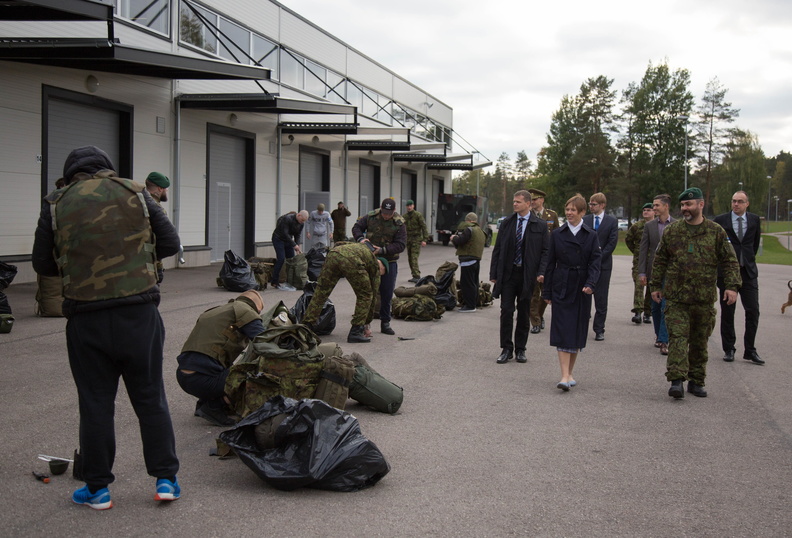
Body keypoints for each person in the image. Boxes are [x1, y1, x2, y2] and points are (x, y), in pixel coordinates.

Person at [32, 145, 181, 510]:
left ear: (71, 175)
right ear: (107, 169)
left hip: (86, 318)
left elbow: (41, 263)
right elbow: (171, 244)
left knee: (96, 403)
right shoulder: (136, 193)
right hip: (139, 313)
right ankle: (165, 480)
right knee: (150, 398)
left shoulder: (55, 203)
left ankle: (97, 489)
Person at [650, 187, 740, 399]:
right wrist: (655, 286)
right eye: (682, 205)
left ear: (701, 205)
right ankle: (677, 380)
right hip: (676, 298)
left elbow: (729, 261)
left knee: (699, 341)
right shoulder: (673, 231)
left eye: (689, 204)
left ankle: (697, 381)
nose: (685, 208)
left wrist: (731, 286)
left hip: (703, 299)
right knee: (678, 338)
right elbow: (660, 259)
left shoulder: (716, 231)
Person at [176, 290, 265, 426]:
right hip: (202, 380)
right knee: (252, 374)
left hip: (184, 375)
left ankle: (203, 403)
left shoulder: (217, 311)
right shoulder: (246, 312)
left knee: (217, 364)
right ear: (257, 307)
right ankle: (214, 406)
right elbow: (265, 342)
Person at [542, 194, 601, 391]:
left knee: (577, 331)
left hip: (582, 288)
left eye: (573, 210)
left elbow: (595, 263)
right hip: (562, 286)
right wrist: (547, 291)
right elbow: (550, 264)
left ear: (582, 212)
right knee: (562, 329)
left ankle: (570, 373)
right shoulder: (557, 234)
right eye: (567, 210)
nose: (569, 213)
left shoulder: (591, 235)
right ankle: (564, 375)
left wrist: (591, 283)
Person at [489, 190, 549, 364]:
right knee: (506, 311)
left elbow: (546, 251)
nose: (514, 204)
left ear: (528, 204)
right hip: (508, 274)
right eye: (514, 201)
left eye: (518, 202)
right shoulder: (507, 223)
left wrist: (541, 272)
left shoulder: (540, 225)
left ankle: (520, 349)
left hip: (527, 275)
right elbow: (498, 249)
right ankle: (506, 349)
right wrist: (494, 274)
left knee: (523, 312)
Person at [302, 242, 387, 343]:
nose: (381, 274)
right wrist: (366, 323)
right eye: (383, 273)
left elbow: (339, 243)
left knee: (321, 292)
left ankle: (306, 328)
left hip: (333, 254)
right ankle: (355, 332)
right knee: (366, 295)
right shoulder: (375, 265)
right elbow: (373, 295)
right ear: (382, 267)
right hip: (350, 260)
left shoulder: (359, 246)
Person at [714, 191, 763, 364]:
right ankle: (729, 349)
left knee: (753, 311)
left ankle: (750, 350)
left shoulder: (755, 220)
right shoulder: (721, 220)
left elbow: (753, 245)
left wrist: (746, 260)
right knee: (728, 312)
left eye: (740, 202)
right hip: (727, 273)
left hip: (748, 273)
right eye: (734, 201)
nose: (736, 204)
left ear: (747, 204)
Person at [352, 198, 406, 335]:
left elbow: (401, 245)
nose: (385, 215)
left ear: (393, 211)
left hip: (389, 261)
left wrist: (382, 250)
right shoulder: (371, 216)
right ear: (380, 208)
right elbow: (356, 227)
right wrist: (361, 239)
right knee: (367, 291)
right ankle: (364, 323)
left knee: (387, 292)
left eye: (388, 213)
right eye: (384, 212)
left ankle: (385, 322)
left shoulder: (399, 223)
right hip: (370, 260)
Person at [638, 194, 675, 356]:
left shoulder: (676, 225)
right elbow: (643, 250)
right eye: (653, 205)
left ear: (666, 206)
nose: (654, 208)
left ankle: (664, 339)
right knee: (655, 305)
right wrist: (642, 272)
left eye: (657, 205)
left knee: (666, 304)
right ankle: (659, 336)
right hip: (654, 270)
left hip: (671, 271)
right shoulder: (649, 226)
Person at [582, 192, 618, 341]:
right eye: (590, 204)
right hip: (586, 265)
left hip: (603, 266)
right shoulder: (585, 220)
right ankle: (582, 327)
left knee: (601, 298)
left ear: (602, 205)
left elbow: (612, 243)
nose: (591, 206)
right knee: (584, 297)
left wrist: (598, 257)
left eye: (594, 204)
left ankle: (599, 329)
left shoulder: (611, 221)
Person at [528, 188, 560, 333]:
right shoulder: (527, 215)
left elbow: (558, 235)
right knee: (533, 293)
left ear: (542, 200)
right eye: (531, 200)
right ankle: (535, 322)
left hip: (548, 259)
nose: (533, 202)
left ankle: (539, 315)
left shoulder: (551, 215)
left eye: (535, 199)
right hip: (533, 258)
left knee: (545, 291)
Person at [451, 212, 486, 313]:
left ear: (468, 220)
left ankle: (470, 306)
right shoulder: (480, 230)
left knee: (467, 283)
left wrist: (454, 238)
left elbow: (460, 241)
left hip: (468, 260)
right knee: (474, 283)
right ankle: (473, 303)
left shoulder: (469, 229)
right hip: (476, 260)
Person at [625, 203, 654, 325]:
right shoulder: (636, 226)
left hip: (653, 261)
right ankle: (638, 312)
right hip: (639, 261)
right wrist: (636, 252)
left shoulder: (657, 226)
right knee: (639, 286)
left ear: (654, 212)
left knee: (651, 287)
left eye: (649, 210)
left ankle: (648, 313)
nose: (646, 212)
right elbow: (628, 240)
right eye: (644, 210)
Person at [270, 210, 309, 289]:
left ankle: (290, 281)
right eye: (302, 220)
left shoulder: (301, 223)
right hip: (278, 239)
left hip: (288, 240)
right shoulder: (287, 219)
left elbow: (298, 234)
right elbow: (285, 233)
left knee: (291, 260)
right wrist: (294, 245)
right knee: (281, 259)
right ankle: (274, 281)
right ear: (298, 215)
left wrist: (297, 244)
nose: (302, 222)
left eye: (304, 221)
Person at [145, 171, 171, 283]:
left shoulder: (137, 203)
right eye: (166, 188)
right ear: (160, 189)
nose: (167, 191)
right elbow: (164, 238)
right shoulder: (157, 209)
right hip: (152, 264)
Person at [403, 200, 430, 283]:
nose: (409, 207)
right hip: (409, 239)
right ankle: (414, 275)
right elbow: (401, 228)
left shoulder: (418, 215)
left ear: (413, 206)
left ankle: (417, 276)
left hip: (416, 239)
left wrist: (425, 239)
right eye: (408, 206)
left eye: (410, 205)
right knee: (410, 258)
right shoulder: (405, 216)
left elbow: (424, 227)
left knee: (414, 257)